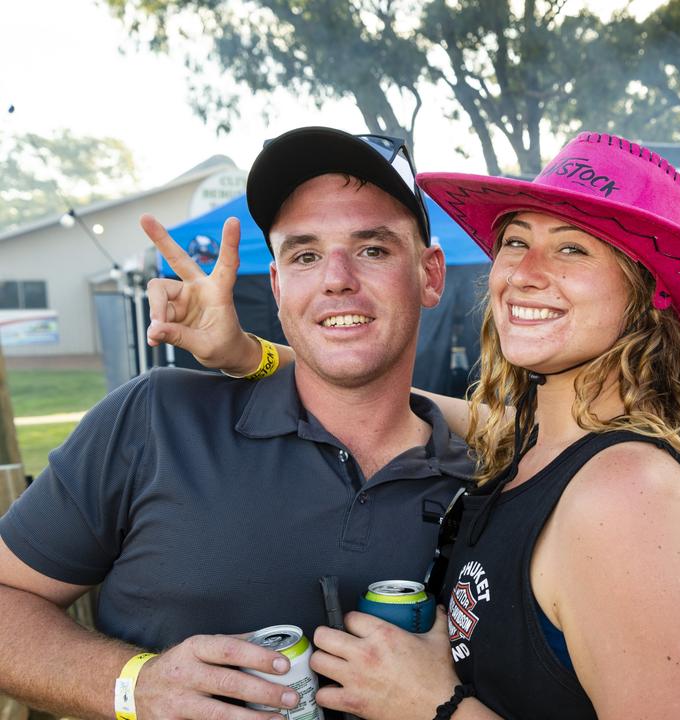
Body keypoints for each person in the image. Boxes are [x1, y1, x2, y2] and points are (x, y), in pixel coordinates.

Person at [176, 132, 680, 719]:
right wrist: (250, 355)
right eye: (516, 241)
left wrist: (433, 705)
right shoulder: (534, 444)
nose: (523, 274)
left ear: (651, 289)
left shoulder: (629, 491)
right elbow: (397, 397)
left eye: (572, 249)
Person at [0, 127, 470, 719]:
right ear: (276, 286)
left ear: (431, 276)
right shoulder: (155, 419)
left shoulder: (490, 480)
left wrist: (252, 352)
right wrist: (132, 686)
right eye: (304, 255)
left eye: (373, 249)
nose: (336, 278)